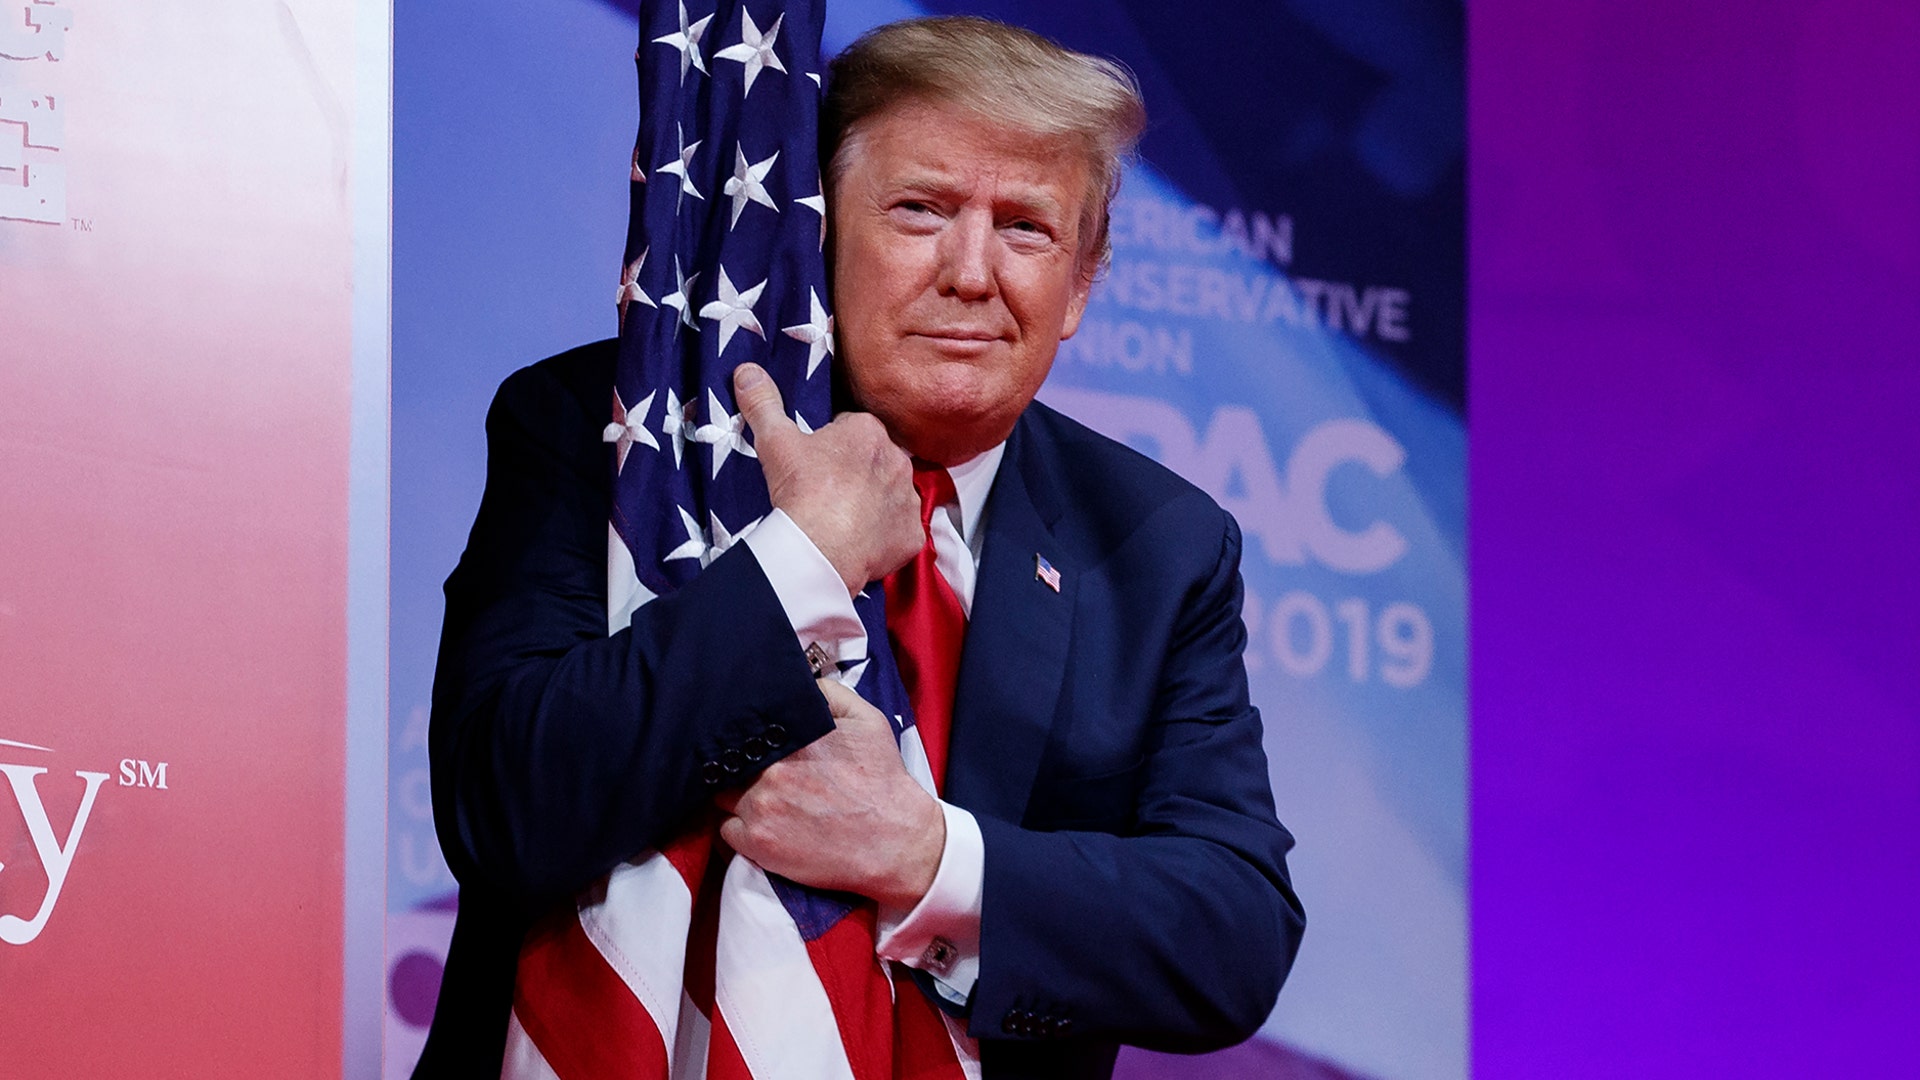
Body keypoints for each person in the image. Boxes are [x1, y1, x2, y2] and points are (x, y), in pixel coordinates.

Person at [418, 16, 1304, 1079]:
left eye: (1025, 228)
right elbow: (504, 806)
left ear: (1081, 282)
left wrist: (928, 859)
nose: (972, 272)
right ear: (818, 235)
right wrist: (800, 560)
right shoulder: (606, 429)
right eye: (921, 211)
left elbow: (1233, 935)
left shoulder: (1159, 544)